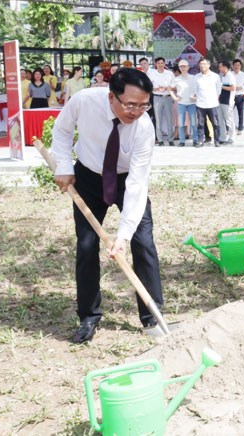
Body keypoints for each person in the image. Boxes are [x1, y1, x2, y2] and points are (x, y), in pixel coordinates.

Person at [50, 67, 164, 343]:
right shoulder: (84, 101)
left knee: (142, 241)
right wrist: (63, 166)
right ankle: (88, 316)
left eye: (144, 105)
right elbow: (63, 132)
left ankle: (152, 317)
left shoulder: (144, 128)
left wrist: (122, 236)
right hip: (89, 177)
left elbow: (137, 184)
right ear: (111, 97)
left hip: (126, 180)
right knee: (87, 245)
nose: (136, 112)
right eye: (130, 105)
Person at [192, 59, 226, 148]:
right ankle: (200, 141)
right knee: (200, 124)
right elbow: (195, 89)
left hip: (212, 103)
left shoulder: (215, 76)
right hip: (200, 103)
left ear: (208, 65)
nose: (201, 66)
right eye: (200, 64)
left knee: (215, 123)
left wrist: (214, 97)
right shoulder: (196, 77)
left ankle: (217, 141)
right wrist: (199, 97)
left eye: (203, 64)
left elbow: (218, 89)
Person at [147, 57, 176, 146]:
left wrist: (167, 88)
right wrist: (155, 89)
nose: (160, 65)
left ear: (164, 64)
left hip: (167, 97)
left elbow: (174, 86)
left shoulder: (169, 73)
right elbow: (148, 86)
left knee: (169, 119)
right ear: (156, 64)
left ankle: (171, 139)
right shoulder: (152, 74)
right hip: (157, 97)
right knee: (158, 119)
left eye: (162, 63)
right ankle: (160, 140)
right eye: (158, 63)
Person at [173, 60, 197, 146]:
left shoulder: (193, 78)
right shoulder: (176, 79)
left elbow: (197, 89)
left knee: (194, 123)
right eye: (181, 66)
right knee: (180, 124)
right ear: (179, 68)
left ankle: (195, 140)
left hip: (191, 103)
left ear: (188, 67)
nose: (183, 68)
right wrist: (175, 97)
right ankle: (182, 141)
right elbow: (170, 89)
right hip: (181, 103)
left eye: (184, 66)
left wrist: (195, 96)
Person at [218, 61, 236, 144]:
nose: (219, 68)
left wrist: (221, 86)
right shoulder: (223, 76)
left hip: (228, 101)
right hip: (221, 101)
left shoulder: (230, 76)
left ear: (225, 67)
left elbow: (232, 88)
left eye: (220, 66)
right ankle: (222, 137)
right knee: (220, 120)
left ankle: (231, 137)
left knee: (229, 120)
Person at [231, 59, 244, 135]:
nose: (236, 67)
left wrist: (241, 87)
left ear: (240, 66)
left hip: (240, 96)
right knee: (229, 113)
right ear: (232, 66)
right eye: (235, 65)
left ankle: (240, 129)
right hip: (231, 96)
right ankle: (228, 129)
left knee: (240, 113)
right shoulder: (230, 74)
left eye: (238, 65)